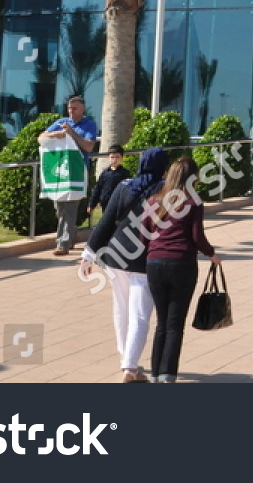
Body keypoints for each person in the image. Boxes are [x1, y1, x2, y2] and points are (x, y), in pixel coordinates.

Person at [81, 147, 168, 382]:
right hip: (144, 259)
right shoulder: (164, 191)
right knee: (140, 315)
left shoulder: (124, 186)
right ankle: (130, 367)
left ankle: (126, 360)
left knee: (121, 310)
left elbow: (106, 222)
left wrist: (89, 253)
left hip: (115, 256)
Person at [143, 156, 221, 384]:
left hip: (154, 264)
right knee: (175, 324)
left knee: (161, 323)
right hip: (181, 264)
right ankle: (168, 375)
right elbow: (197, 237)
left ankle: (156, 373)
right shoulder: (193, 203)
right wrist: (212, 254)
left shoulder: (152, 202)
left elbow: (143, 236)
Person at [39, 96, 98, 255]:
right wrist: (56, 134)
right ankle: (72, 233)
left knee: (69, 209)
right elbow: (41, 137)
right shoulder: (61, 122)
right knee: (60, 209)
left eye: (75, 109)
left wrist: (71, 134)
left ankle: (62, 244)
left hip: (77, 173)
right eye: (70, 109)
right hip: (60, 174)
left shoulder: (89, 125)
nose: (72, 112)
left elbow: (88, 146)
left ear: (83, 109)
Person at [87, 144, 132, 224]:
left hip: (119, 204)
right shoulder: (104, 174)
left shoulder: (125, 174)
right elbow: (98, 189)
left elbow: (129, 190)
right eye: (112, 157)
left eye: (117, 157)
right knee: (107, 223)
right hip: (106, 204)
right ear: (108, 158)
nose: (115, 159)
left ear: (122, 158)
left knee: (117, 223)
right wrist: (92, 204)